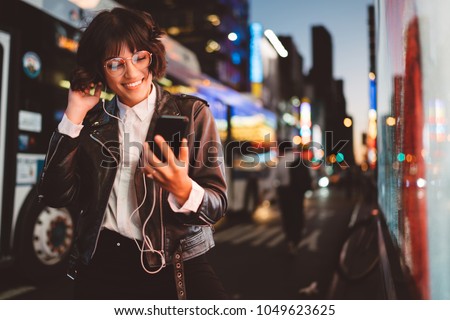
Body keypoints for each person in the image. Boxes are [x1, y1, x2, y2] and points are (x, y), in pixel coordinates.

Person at [38, 7, 228, 300]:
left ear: (152, 55)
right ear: (99, 69)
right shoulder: (92, 121)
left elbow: (217, 205)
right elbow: (55, 195)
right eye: (115, 64)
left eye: (140, 57)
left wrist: (183, 189)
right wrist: (74, 114)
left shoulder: (192, 113)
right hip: (102, 264)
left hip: (175, 260)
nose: (132, 73)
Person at [275, 142, 312, 255]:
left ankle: (290, 240)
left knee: (287, 217)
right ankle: (296, 240)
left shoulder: (280, 162)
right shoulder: (298, 159)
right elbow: (309, 175)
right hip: (297, 193)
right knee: (298, 215)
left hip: (284, 193)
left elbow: (275, 180)